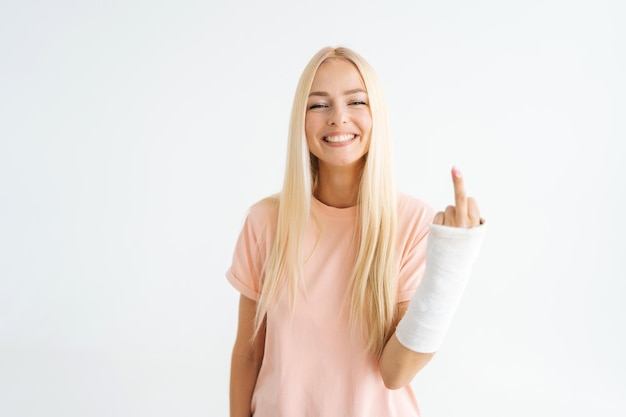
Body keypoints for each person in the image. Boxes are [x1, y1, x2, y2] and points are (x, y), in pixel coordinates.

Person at [226, 46, 485, 417]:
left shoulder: (412, 223)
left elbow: (395, 373)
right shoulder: (264, 222)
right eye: (318, 105)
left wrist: (452, 263)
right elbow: (248, 354)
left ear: (375, 114)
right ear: (301, 119)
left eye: (356, 102)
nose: (338, 118)